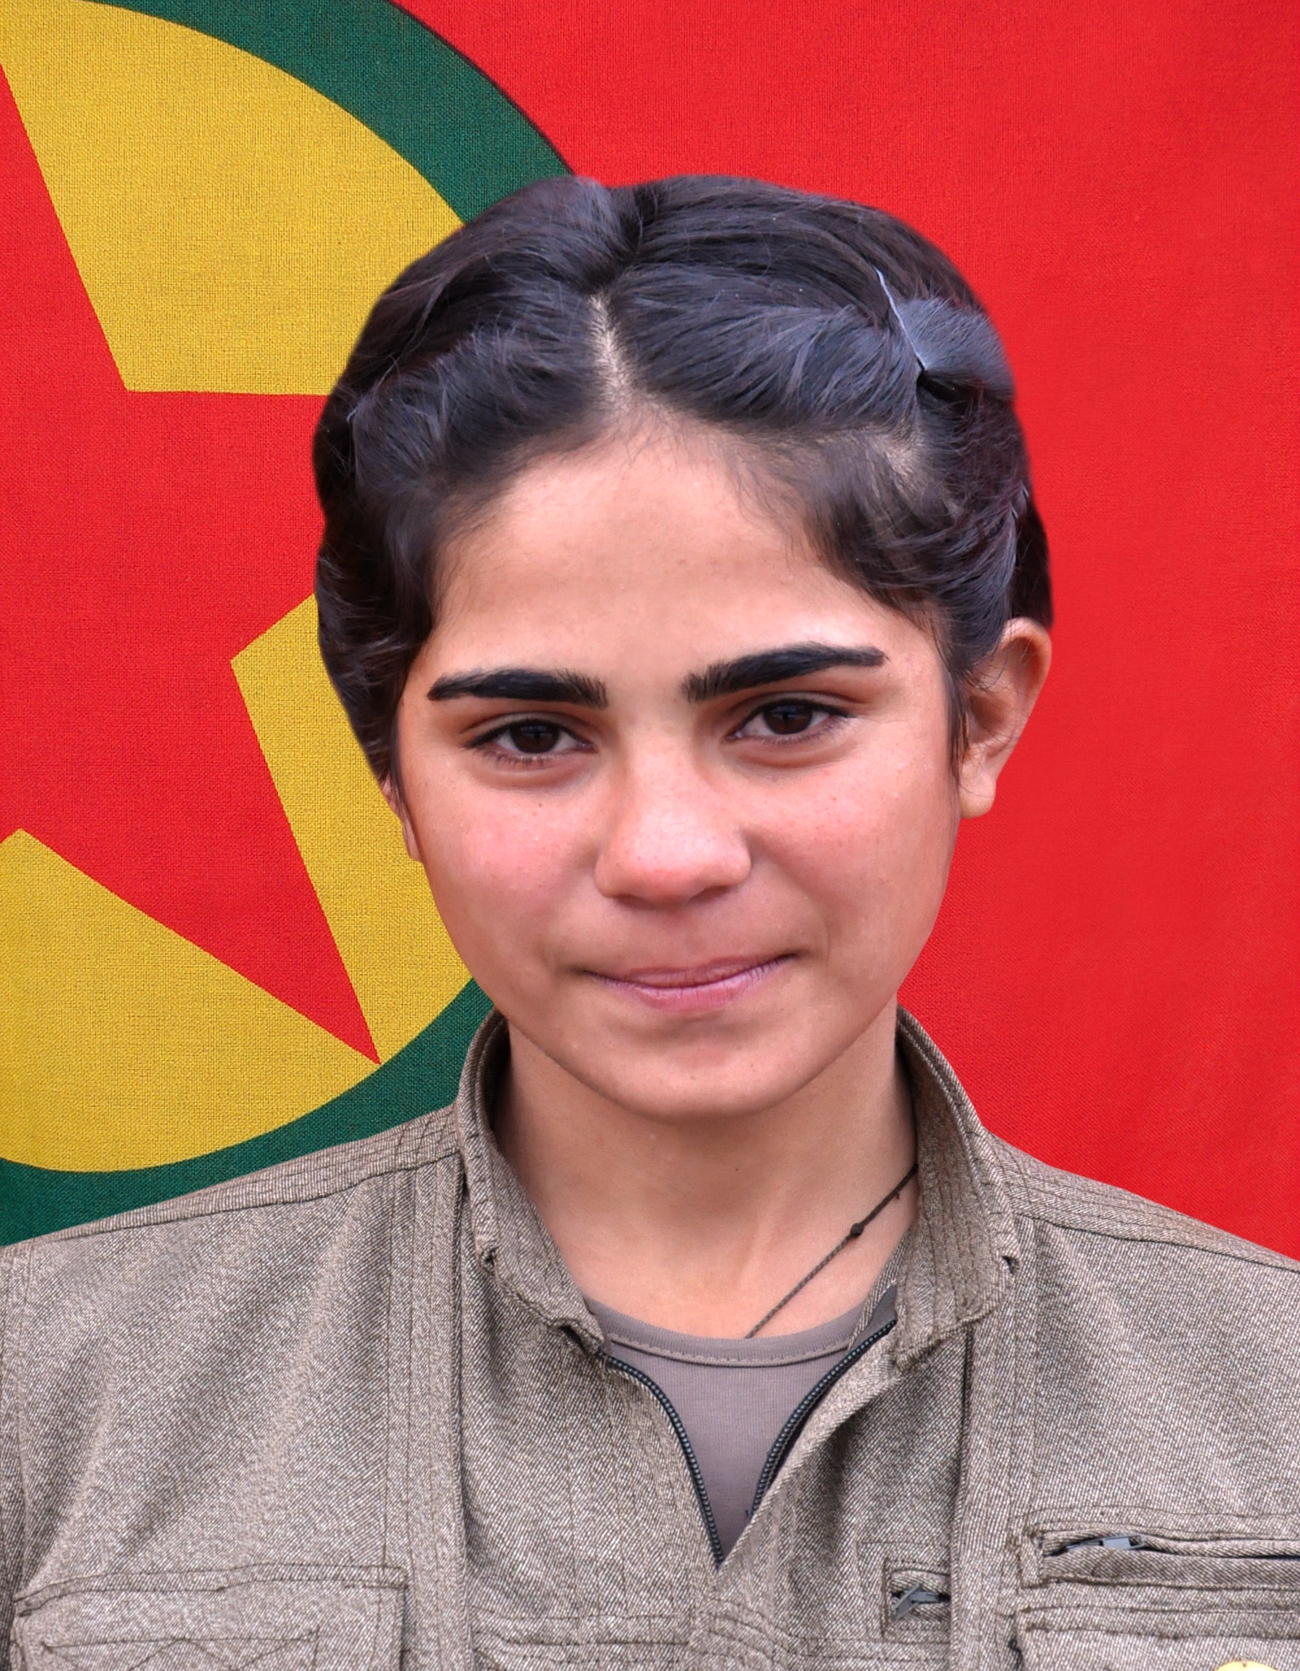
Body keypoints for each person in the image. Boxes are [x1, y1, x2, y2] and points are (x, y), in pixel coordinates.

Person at [2, 177, 1298, 1669]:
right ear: (393, 777)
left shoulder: (1272, 1403)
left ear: (981, 715)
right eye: (531, 737)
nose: (667, 855)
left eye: (788, 715)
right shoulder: (52, 1398)